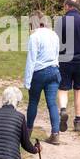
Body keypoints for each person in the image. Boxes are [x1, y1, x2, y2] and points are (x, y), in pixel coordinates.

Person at [54, 0, 80, 133]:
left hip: (64, 61)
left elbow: (55, 43)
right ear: (77, 6)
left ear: (67, 6)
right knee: (78, 90)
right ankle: (78, 121)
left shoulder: (61, 22)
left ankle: (63, 110)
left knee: (63, 88)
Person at [23, 12, 61, 145]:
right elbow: (57, 54)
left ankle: (27, 133)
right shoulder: (54, 35)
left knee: (33, 102)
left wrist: (27, 81)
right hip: (54, 70)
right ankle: (55, 134)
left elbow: (31, 60)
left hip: (39, 72)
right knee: (52, 103)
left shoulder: (34, 37)